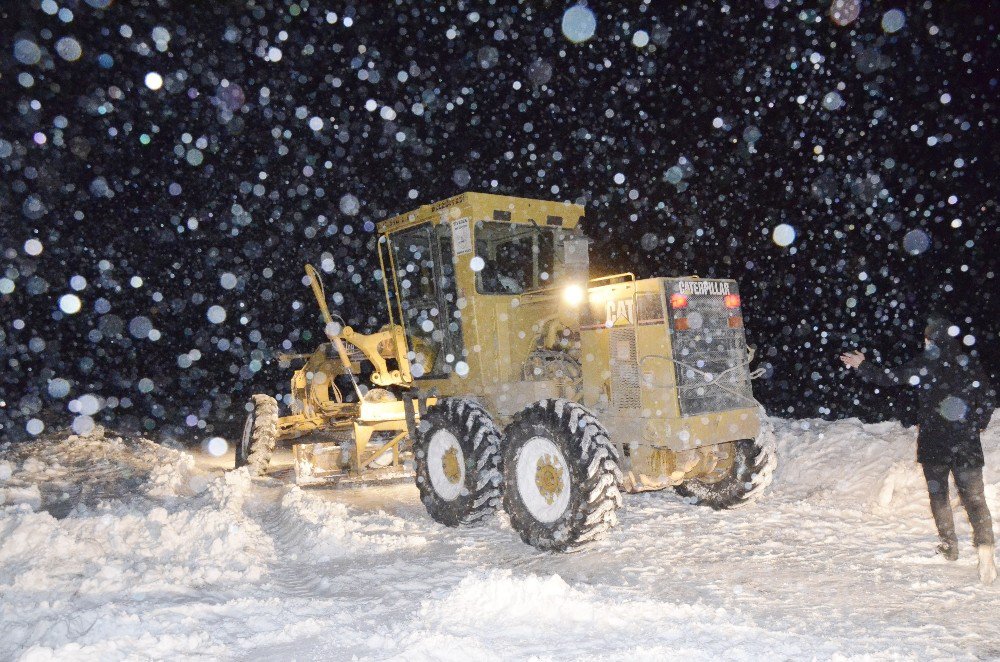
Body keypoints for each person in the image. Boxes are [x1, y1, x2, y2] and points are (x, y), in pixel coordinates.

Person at [840, 316, 997, 585]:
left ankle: (949, 546)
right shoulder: (968, 363)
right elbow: (986, 399)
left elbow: (889, 378)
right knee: (975, 499)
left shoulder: (925, 364)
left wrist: (863, 365)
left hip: (935, 443)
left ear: (930, 340)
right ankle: (985, 552)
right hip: (966, 443)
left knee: (939, 497)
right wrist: (975, 425)